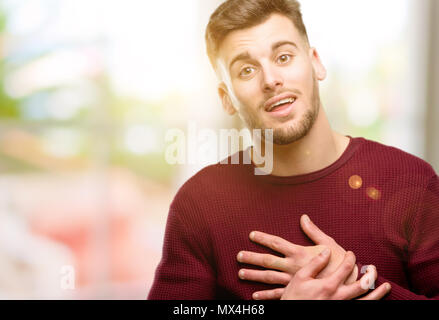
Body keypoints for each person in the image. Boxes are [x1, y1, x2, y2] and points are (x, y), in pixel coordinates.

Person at [148, 0, 439, 300]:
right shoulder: (199, 204)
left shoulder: (411, 180)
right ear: (226, 98)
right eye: (247, 70)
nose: (271, 80)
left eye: (284, 57)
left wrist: (358, 283)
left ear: (315, 63)